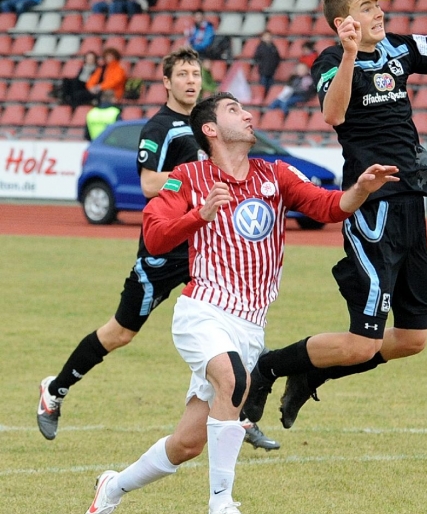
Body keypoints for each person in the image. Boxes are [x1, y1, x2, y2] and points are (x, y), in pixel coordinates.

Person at [79, 91, 399, 514]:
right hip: (203, 311)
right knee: (233, 378)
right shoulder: (186, 177)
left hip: (249, 325)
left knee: (187, 443)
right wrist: (199, 214)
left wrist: (360, 189)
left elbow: (327, 206)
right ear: (210, 129)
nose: (247, 114)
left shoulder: (275, 174)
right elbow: (154, 237)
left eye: (244, 109)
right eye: (234, 110)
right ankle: (220, 507)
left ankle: (112, 487)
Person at [243, 0, 427, 430]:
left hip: (411, 202)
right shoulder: (332, 60)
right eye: (366, 6)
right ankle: (268, 368)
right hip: (372, 208)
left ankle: (311, 373)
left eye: (377, 4)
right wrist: (350, 55)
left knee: (413, 338)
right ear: (344, 23)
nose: (379, 12)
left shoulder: (401, 47)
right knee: (362, 343)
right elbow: (333, 114)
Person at [38, 50, 279, 453]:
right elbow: (149, 184)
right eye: (182, 74)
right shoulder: (160, 127)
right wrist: (196, 178)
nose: (191, 80)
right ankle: (54, 390)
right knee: (120, 333)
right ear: (166, 82)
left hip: (204, 247)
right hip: (164, 251)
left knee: (232, 319)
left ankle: (236, 410)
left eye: (195, 73)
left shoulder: (209, 124)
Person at [254, 30, 281, 100]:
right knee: (263, 87)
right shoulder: (260, 47)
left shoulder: (273, 46)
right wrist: (261, 65)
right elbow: (256, 58)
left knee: (270, 87)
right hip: (263, 71)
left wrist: (275, 65)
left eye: (269, 36)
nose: (268, 38)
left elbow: (277, 57)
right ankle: (262, 99)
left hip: (271, 71)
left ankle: (268, 99)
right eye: (266, 36)